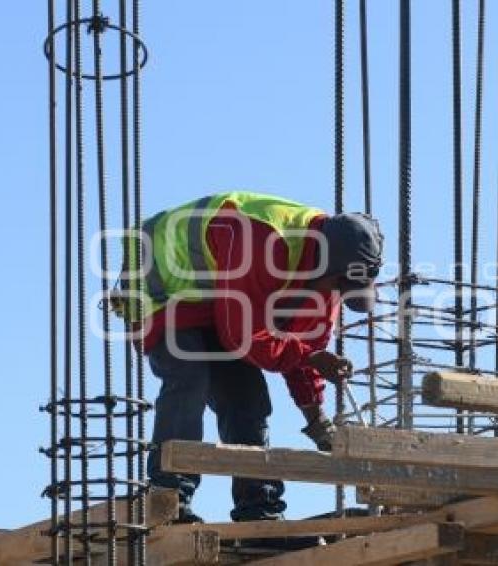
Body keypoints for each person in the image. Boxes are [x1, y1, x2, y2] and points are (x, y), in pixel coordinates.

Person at [118, 191, 383, 524]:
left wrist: (318, 422)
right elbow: (243, 337)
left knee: (247, 400)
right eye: (339, 285)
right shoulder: (265, 241)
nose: (338, 296)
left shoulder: (328, 282)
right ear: (325, 265)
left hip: (220, 298)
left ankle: (259, 509)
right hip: (161, 279)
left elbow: (301, 351)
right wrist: (311, 357)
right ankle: (167, 496)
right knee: (190, 376)